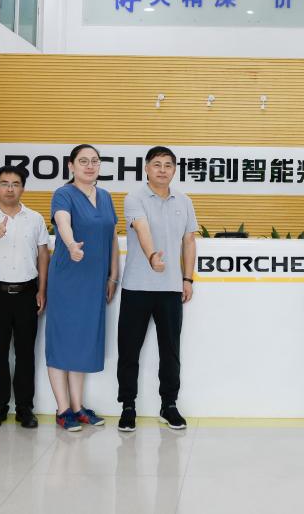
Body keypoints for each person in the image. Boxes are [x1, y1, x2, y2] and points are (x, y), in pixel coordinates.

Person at [117, 146, 198, 432]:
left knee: (170, 350)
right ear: (147, 168)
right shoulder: (134, 198)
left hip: (171, 289)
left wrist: (187, 279)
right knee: (129, 350)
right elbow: (141, 228)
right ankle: (128, 406)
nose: (162, 170)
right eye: (157, 164)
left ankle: (169, 405)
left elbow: (189, 241)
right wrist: (152, 256)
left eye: (168, 165)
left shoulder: (184, 201)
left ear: (174, 170)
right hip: (137, 286)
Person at [45, 144, 119, 432]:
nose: (90, 166)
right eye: (83, 161)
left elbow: (112, 237)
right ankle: (63, 409)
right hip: (68, 278)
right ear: (71, 166)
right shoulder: (63, 194)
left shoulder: (105, 197)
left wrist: (113, 276)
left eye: (94, 161)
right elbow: (62, 221)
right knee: (62, 340)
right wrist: (71, 244)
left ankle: (78, 407)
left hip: (94, 280)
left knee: (83, 341)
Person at [0, 165, 49, 429]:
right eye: (4, 183)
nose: (10, 189)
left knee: (26, 353)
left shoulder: (35, 218)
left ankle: (25, 408)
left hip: (27, 293)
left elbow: (43, 254)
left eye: (15, 184)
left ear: (23, 188)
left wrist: (42, 290)